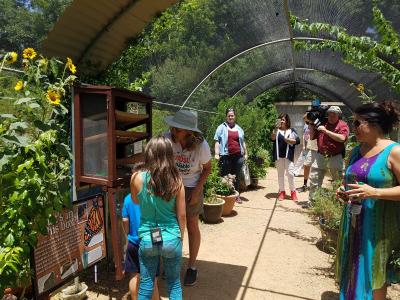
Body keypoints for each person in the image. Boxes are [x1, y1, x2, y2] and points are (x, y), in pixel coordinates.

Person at [336, 101, 400, 300]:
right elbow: (350, 180)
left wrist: (375, 192)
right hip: (354, 224)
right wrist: (342, 190)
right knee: (353, 270)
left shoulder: (394, 152)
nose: (353, 128)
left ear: (374, 124)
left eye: (357, 123)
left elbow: (371, 189)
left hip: (378, 230)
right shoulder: (356, 151)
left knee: (373, 274)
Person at [130, 136, 186, 300]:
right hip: (171, 237)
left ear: (148, 154)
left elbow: (135, 200)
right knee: (174, 284)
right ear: (170, 155)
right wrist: (179, 237)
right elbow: (182, 215)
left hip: (148, 237)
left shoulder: (136, 178)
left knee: (146, 286)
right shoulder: (177, 180)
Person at [164, 110, 212, 286]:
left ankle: (192, 267)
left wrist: (197, 191)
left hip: (192, 186)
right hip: (172, 186)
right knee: (170, 226)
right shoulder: (167, 138)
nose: (174, 130)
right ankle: (171, 264)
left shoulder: (202, 145)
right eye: (174, 127)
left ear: (188, 131)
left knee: (192, 226)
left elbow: (207, 168)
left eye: (178, 129)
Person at [306, 105, 349, 207]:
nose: (331, 116)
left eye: (333, 114)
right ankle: (313, 202)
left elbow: (342, 138)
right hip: (320, 155)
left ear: (338, 115)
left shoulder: (342, 125)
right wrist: (311, 125)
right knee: (314, 179)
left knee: (338, 181)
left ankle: (340, 204)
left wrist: (326, 131)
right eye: (329, 114)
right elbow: (312, 138)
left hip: (335, 156)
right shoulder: (322, 123)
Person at [122, 193, 159, 300]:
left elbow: (125, 220)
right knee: (153, 279)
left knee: (134, 276)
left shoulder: (128, 198)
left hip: (133, 243)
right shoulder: (154, 198)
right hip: (150, 243)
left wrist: (128, 234)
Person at [214, 108, 248, 203]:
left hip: (238, 156)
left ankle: (236, 196)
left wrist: (246, 153)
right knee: (225, 176)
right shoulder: (221, 127)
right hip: (226, 156)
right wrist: (217, 153)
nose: (230, 117)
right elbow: (217, 141)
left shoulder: (239, 128)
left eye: (232, 115)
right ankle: (225, 195)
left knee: (236, 176)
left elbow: (243, 142)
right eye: (229, 115)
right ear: (226, 116)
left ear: (235, 116)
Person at [271, 113, 300, 201]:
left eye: (283, 119)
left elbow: (297, 141)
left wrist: (288, 140)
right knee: (280, 175)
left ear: (287, 121)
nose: (282, 121)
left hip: (288, 156)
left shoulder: (292, 130)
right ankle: (282, 192)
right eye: (280, 119)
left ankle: (293, 192)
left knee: (290, 174)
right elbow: (272, 138)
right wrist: (275, 128)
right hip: (279, 156)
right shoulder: (276, 130)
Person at [296, 114, 318, 192]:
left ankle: (315, 187)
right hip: (309, 147)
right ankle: (305, 185)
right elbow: (306, 135)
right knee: (306, 164)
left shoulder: (317, 123)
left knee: (316, 168)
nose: (306, 121)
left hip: (317, 148)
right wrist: (304, 145)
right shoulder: (308, 125)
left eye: (306, 119)